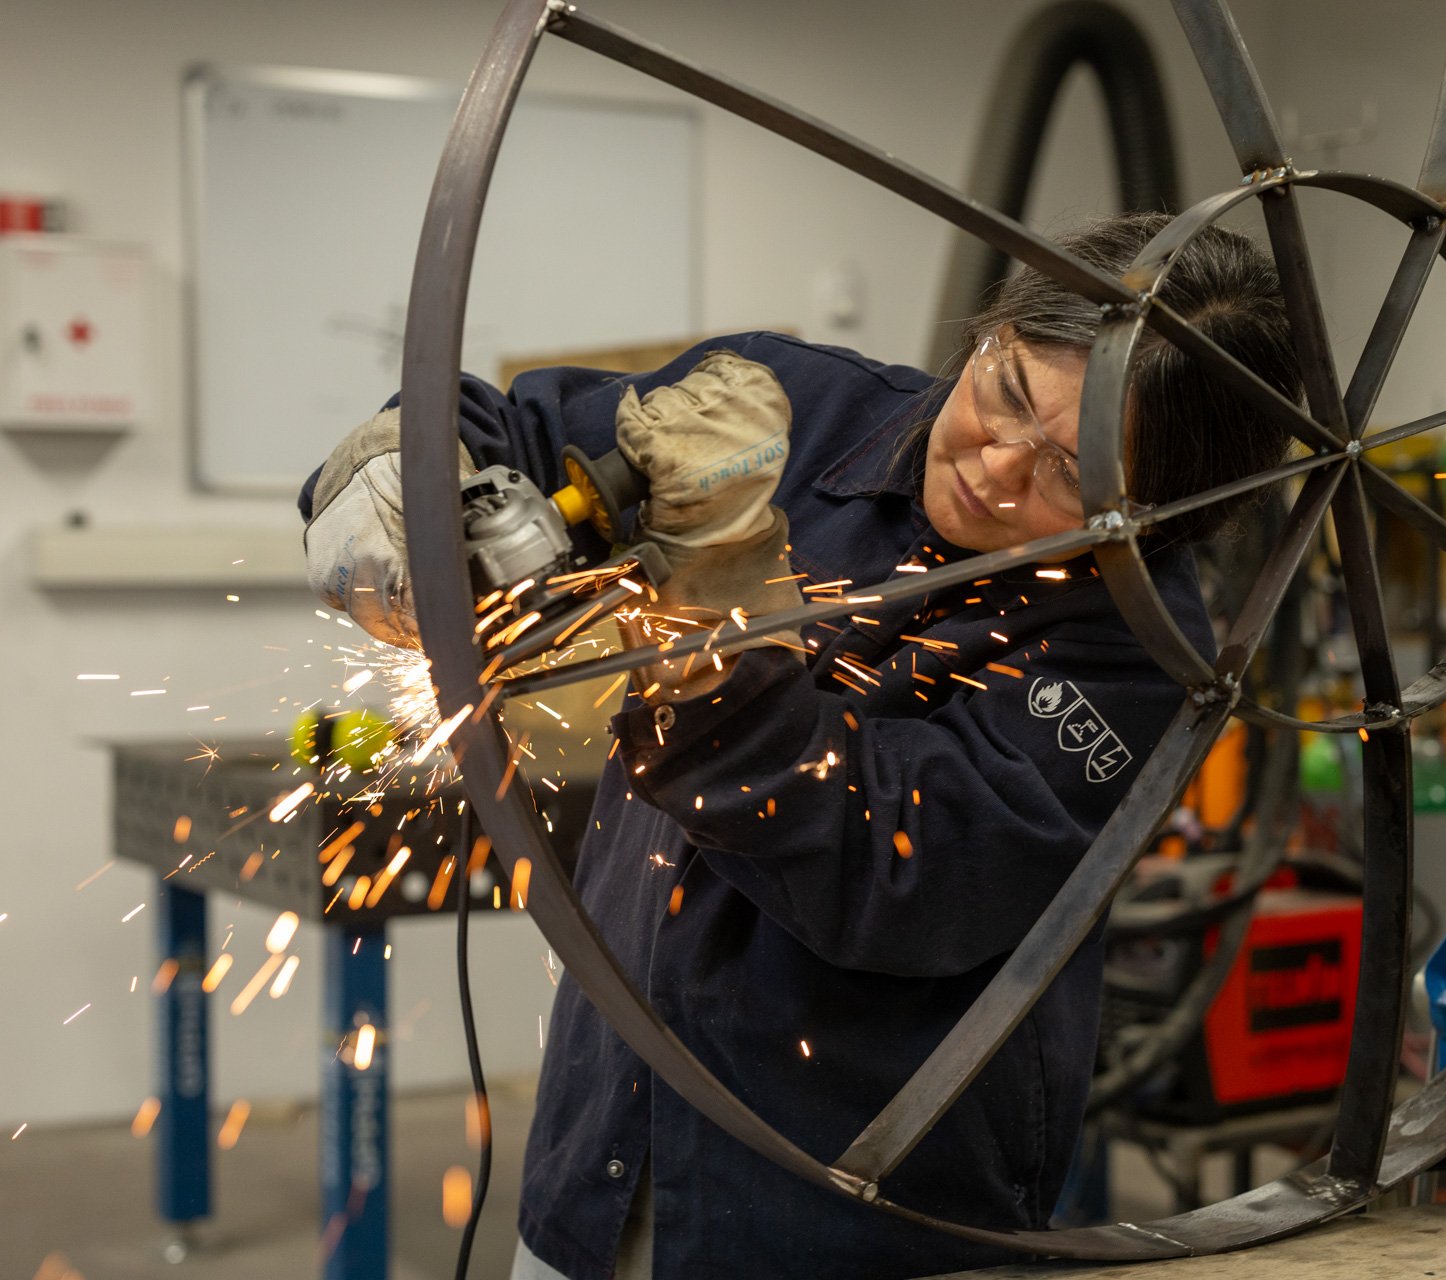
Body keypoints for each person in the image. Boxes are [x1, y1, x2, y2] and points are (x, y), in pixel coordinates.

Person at [301, 212, 1299, 1280]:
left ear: (1157, 515)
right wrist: (394, 476)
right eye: (1005, 394)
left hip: (846, 1214)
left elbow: (892, 874)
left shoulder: (1138, 653)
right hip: (597, 1150)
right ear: (993, 329)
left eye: (1070, 469)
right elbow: (524, 429)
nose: (997, 468)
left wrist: (717, 641)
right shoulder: (797, 405)